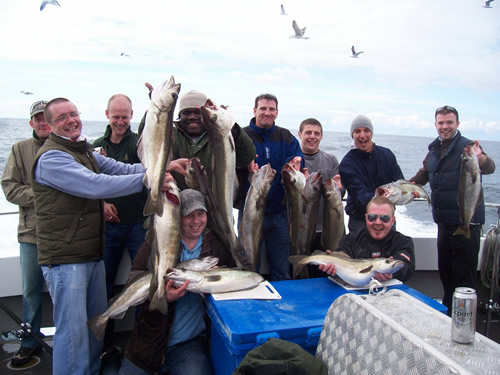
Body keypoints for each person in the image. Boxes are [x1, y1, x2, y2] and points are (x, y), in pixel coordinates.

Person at [31, 97, 184, 375]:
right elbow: (95, 184)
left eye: (73, 114)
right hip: (65, 259)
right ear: (50, 125)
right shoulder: (52, 157)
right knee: (71, 332)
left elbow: (119, 168)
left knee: (92, 328)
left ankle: (90, 370)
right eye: (62, 118)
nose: (71, 120)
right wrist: (148, 180)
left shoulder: (84, 151)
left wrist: (163, 168)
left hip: (91, 253)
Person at [110, 189, 239, 375]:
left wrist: (216, 284)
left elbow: (240, 274)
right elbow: (134, 278)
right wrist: (162, 297)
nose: (196, 222)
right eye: (189, 216)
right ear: (178, 217)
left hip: (190, 342)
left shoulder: (216, 244)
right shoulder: (157, 241)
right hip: (149, 338)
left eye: (200, 214)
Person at [409, 105, 495, 313]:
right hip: (444, 224)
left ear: (457, 124)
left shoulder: (468, 148)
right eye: (441, 123)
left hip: (467, 224)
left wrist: (480, 156)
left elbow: (489, 167)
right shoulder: (433, 151)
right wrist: (402, 190)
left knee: (464, 281)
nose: (445, 127)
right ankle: (448, 318)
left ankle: (464, 325)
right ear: (435, 125)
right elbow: (422, 176)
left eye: (449, 122)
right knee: (446, 276)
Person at [1, 100, 49, 367]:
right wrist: (42, 195)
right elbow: (9, 187)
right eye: (37, 119)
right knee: (30, 291)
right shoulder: (20, 150)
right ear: (31, 123)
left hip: (62, 236)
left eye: (46, 118)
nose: (42, 123)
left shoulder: (65, 147)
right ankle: (29, 342)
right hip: (30, 235)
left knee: (62, 293)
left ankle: (67, 341)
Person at [237, 94, 304, 281]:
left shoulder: (285, 137)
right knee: (249, 267)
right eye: (263, 108)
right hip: (248, 211)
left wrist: (298, 161)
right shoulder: (242, 136)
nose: (267, 112)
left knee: (282, 269)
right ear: (254, 111)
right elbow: (229, 160)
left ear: (277, 112)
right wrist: (245, 165)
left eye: (271, 109)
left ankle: (282, 306)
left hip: (279, 214)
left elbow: (297, 155)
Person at [139, 88, 257, 191]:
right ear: (179, 116)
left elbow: (247, 156)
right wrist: (155, 106)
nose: (192, 117)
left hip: (213, 208)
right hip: (176, 206)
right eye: (186, 112)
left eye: (197, 112)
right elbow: (147, 138)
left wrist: (231, 126)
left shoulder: (220, 138)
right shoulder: (169, 136)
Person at [93, 94, 148, 301]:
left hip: (138, 226)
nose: (120, 122)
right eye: (116, 117)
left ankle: (140, 331)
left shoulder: (139, 144)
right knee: (103, 283)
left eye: (125, 117)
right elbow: (89, 183)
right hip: (108, 228)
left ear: (132, 115)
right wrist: (102, 203)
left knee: (141, 282)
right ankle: (103, 331)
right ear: (107, 115)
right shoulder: (97, 145)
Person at [319, 196, 415, 282]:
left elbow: (406, 267)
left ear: (392, 220)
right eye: (372, 217)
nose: (378, 222)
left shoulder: (403, 242)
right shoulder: (351, 239)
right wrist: (331, 268)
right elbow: (341, 256)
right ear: (366, 218)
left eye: (384, 218)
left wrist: (392, 272)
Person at [339, 114, 404, 233]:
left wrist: (408, 192)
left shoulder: (387, 155)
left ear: (371, 133)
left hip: (386, 219)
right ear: (352, 134)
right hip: (360, 222)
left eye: (366, 130)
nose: (362, 135)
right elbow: (359, 194)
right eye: (357, 131)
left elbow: (399, 182)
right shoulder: (347, 163)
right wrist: (383, 201)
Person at [297, 118, 344, 250]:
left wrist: (341, 189)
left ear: (321, 136)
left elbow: (341, 191)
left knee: (326, 269)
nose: (312, 137)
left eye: (316, 133)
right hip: (300, 229)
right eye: (308, 132)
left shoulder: (331, 160)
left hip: (327, 229)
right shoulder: (294, 162)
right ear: (300, 134)